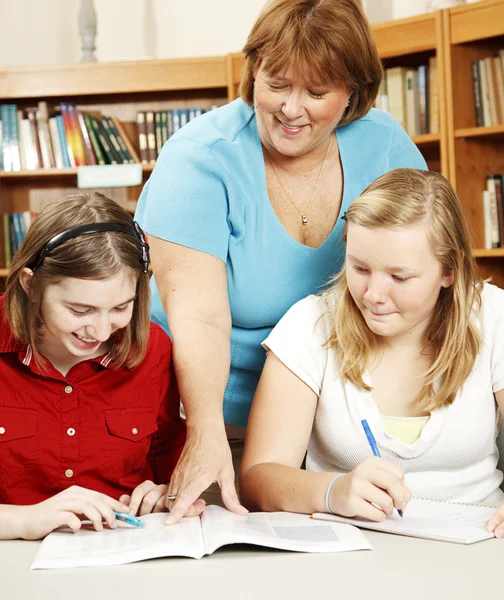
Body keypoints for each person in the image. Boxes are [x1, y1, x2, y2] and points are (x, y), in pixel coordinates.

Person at [135, 0, 427, 523]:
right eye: (276, 84)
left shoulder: (385, 146)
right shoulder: (199, 158)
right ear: (252, 73)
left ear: (352, 95)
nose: (292, 109)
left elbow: (426, 276)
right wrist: (205, 435)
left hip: (338, 429)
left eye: (316, 93)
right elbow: (200, 317)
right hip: (214, 424)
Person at [239, 168, 504, 538]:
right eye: (360, 268)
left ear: (450, 270)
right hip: (351, 548)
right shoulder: (310, 325)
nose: (373, 295)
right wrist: (332, 492)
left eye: (399, 277)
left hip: (482, 542)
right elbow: (257, 478)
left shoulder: (493, 316)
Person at [0, 192, 186, 540]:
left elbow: (169, 460)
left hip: (126, 549)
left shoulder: (155, 348)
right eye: (80, 310)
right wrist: (23, 521)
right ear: (30, 285)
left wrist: (168, 493)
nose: (101, 332)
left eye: (120, 308)